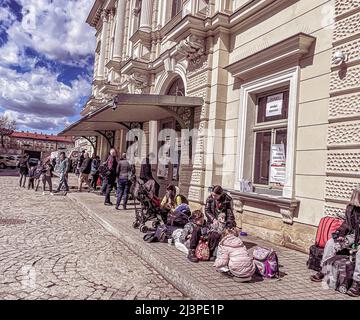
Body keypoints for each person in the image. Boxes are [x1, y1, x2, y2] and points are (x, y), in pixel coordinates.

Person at [310, 187, 360, 297]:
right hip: (353, 236)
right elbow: (346, 224)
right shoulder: (351, 208)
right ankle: (324, 270)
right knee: (331, 243)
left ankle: (357, 283)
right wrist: (341, 234)